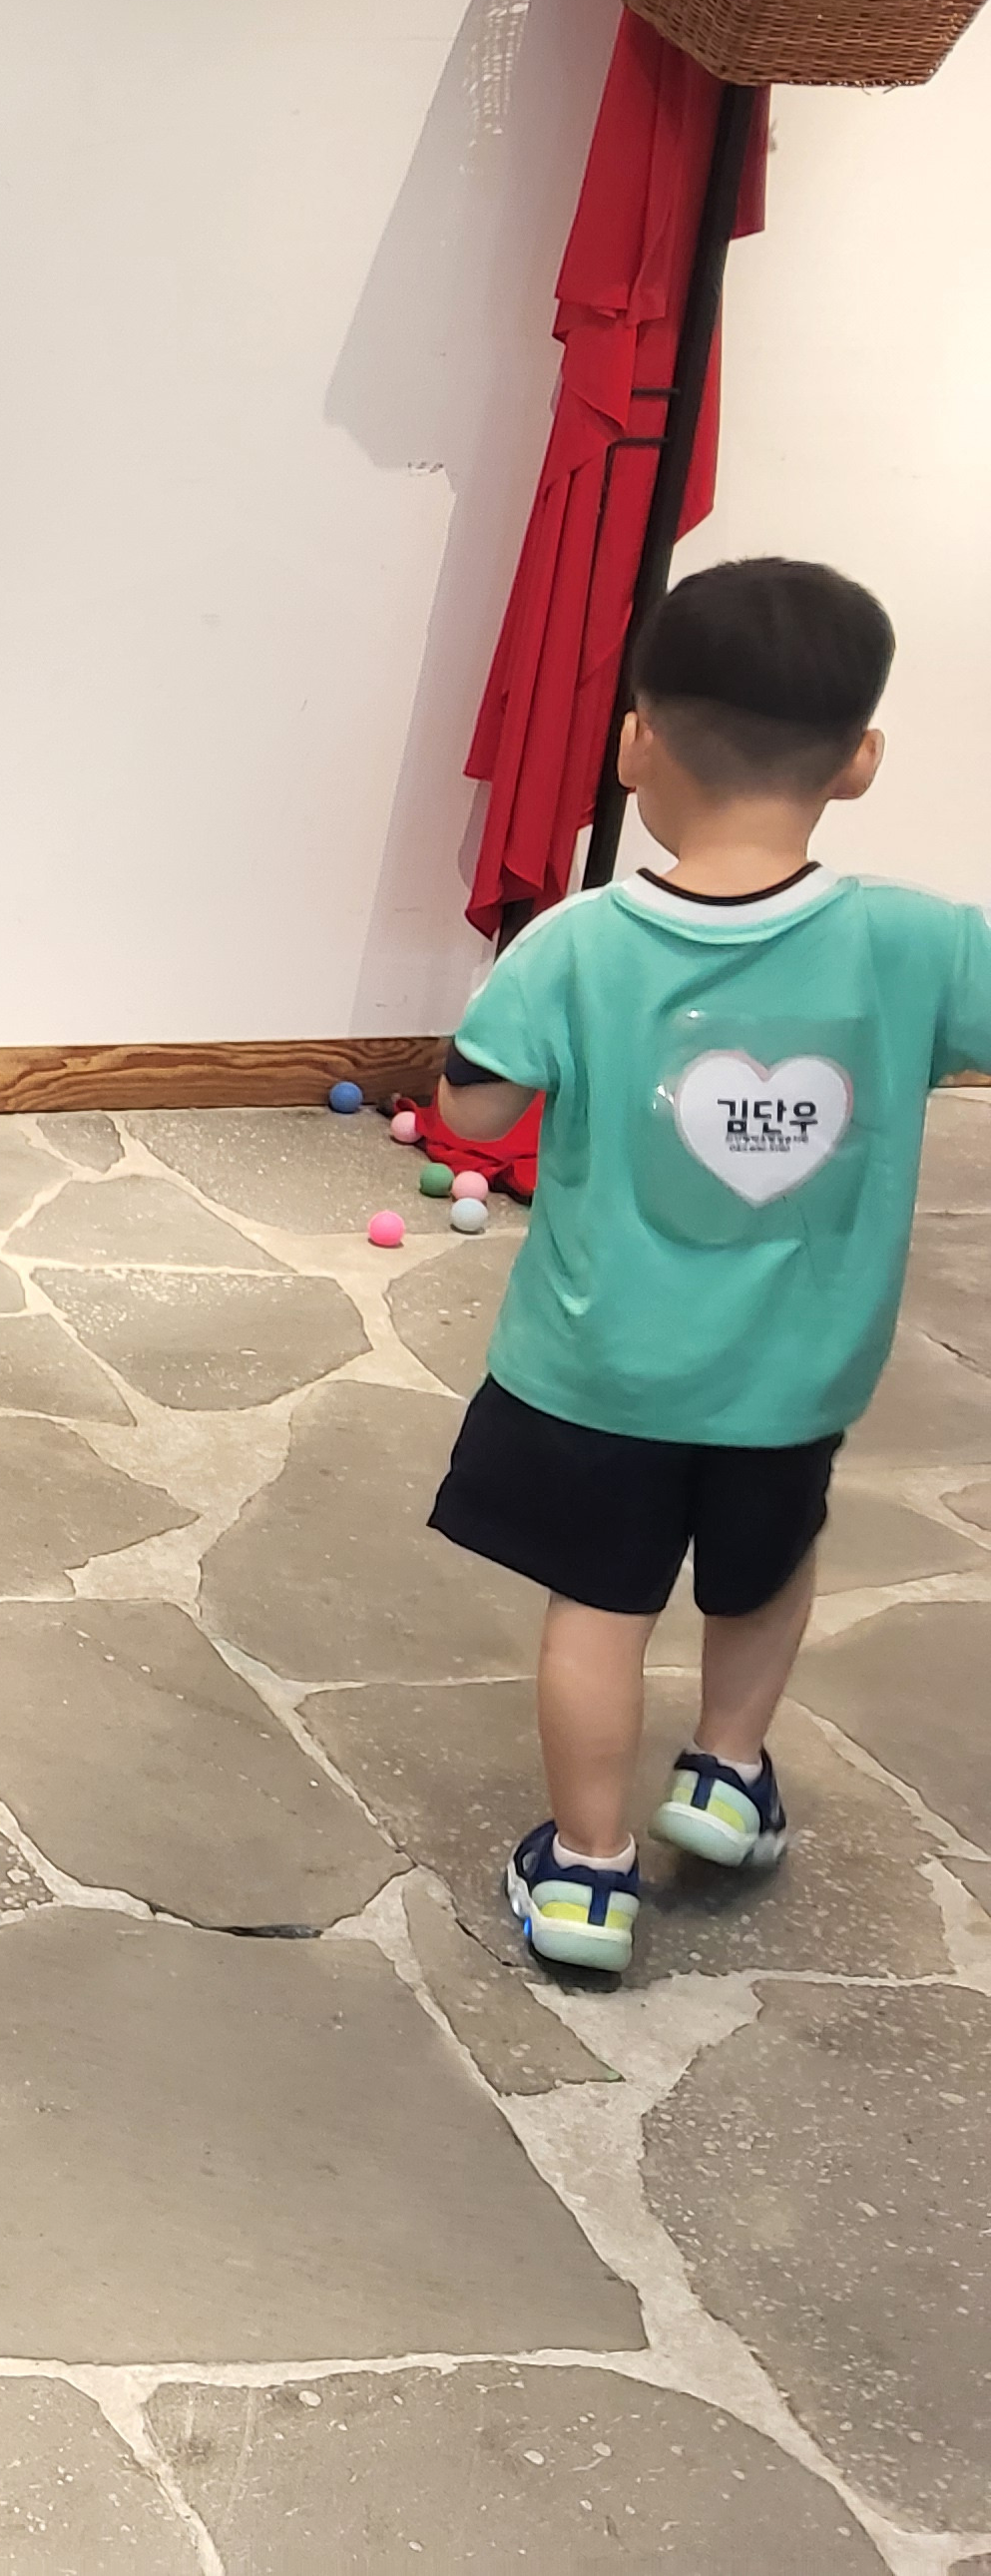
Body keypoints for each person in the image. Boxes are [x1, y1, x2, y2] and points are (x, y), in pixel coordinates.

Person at [429, 558, 991, 1977]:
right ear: (859, 762)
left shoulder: (575, 942)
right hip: (796, 1377)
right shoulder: (924, 943)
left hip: (599, 1369)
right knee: (765, 1569)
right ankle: (728, 1777)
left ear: (637, 743)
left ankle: (587, 1875)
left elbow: (474, 1111)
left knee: (599, 1610)